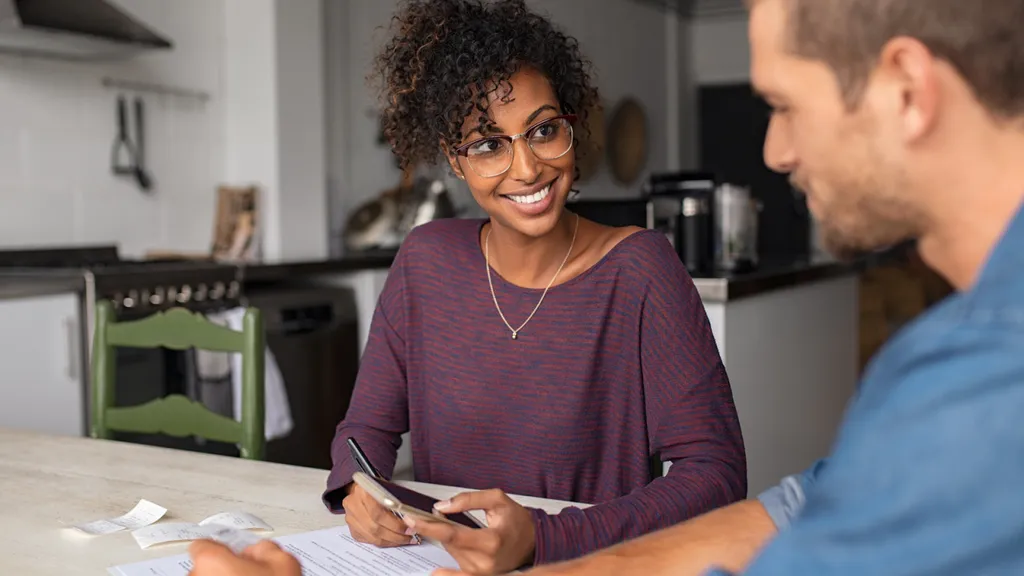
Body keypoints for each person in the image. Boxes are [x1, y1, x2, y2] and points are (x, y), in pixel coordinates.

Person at [407, 0, 1024, 574]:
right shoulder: (956, 365)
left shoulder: (984, 367)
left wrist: (547, 540)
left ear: (909, 89)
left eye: (785, 106)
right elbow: (806, 504)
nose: (775, 151)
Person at [320, 0, 747, 573]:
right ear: (455, 159)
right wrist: (356, 488)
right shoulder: (425, 261)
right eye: (489, 144)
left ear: (572, 126)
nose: (526, 168)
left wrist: (545, 539)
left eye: (543, 131)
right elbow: (366, 430)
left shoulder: (642, 270)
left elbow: (717, 473)